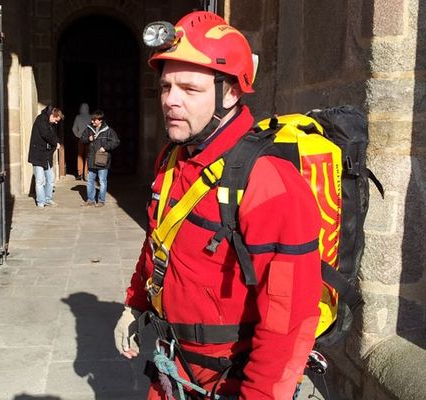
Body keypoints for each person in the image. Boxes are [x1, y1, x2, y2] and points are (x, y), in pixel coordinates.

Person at [113, 11, 323, 400]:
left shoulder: (268, 181)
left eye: (189, 90)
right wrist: (136, 303)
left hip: (229, 382)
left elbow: (290, 319)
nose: (171, 101)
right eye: (165, 87)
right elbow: (159, 240)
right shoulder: (173, 158)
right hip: (171, 370)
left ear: (230, 92)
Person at [80, 110, 120, 207]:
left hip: (103, 160)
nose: (92, 122)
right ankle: (90, 200)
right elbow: (82, 139)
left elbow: (116, 141)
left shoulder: (109, 131)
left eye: (94, 120)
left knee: (102, 181)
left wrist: (105, 147)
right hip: (91, 159)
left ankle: (101, 201)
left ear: (100, 120)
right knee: (90, 180)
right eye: (92, 120)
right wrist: (88, 139)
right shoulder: (88, 129)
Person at [27, 105, 64, 208]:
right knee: (39, 180)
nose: (56, 123)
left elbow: (54, 135)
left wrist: (57, 141)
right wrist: (55, 142)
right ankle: (40, 201)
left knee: (50, 178)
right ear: (53, 115)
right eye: (56, 120)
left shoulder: (50, 123)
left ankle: (48, 199)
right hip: (38, 155)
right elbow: (46, 134)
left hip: (46, 155)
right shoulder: (41, 119)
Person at [72, 102, 91, 180]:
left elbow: (73, 128)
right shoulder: (91, 117)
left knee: (80, 156)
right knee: (87, 156)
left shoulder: (78, 117)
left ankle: (80, 173)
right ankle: (86, 174)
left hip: (81, 139)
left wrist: (78, 135)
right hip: (90, 139)